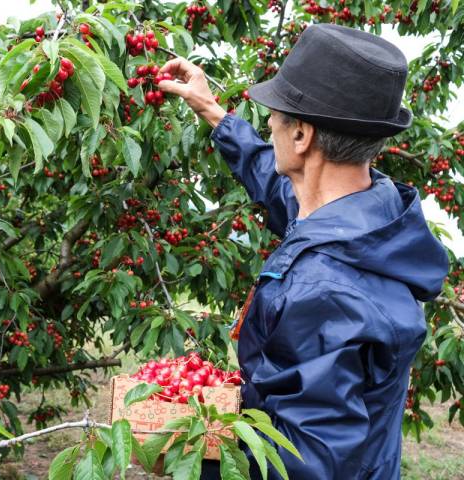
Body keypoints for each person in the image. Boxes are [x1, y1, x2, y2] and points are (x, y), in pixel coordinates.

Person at [157, 23, 450, 479]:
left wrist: (187, 455)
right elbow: (284, 189)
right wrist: (214, 112)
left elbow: (302, 465)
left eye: (275, 114)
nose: (269, 122)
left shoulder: (324, 291)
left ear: (301, 137)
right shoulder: (372, 212)